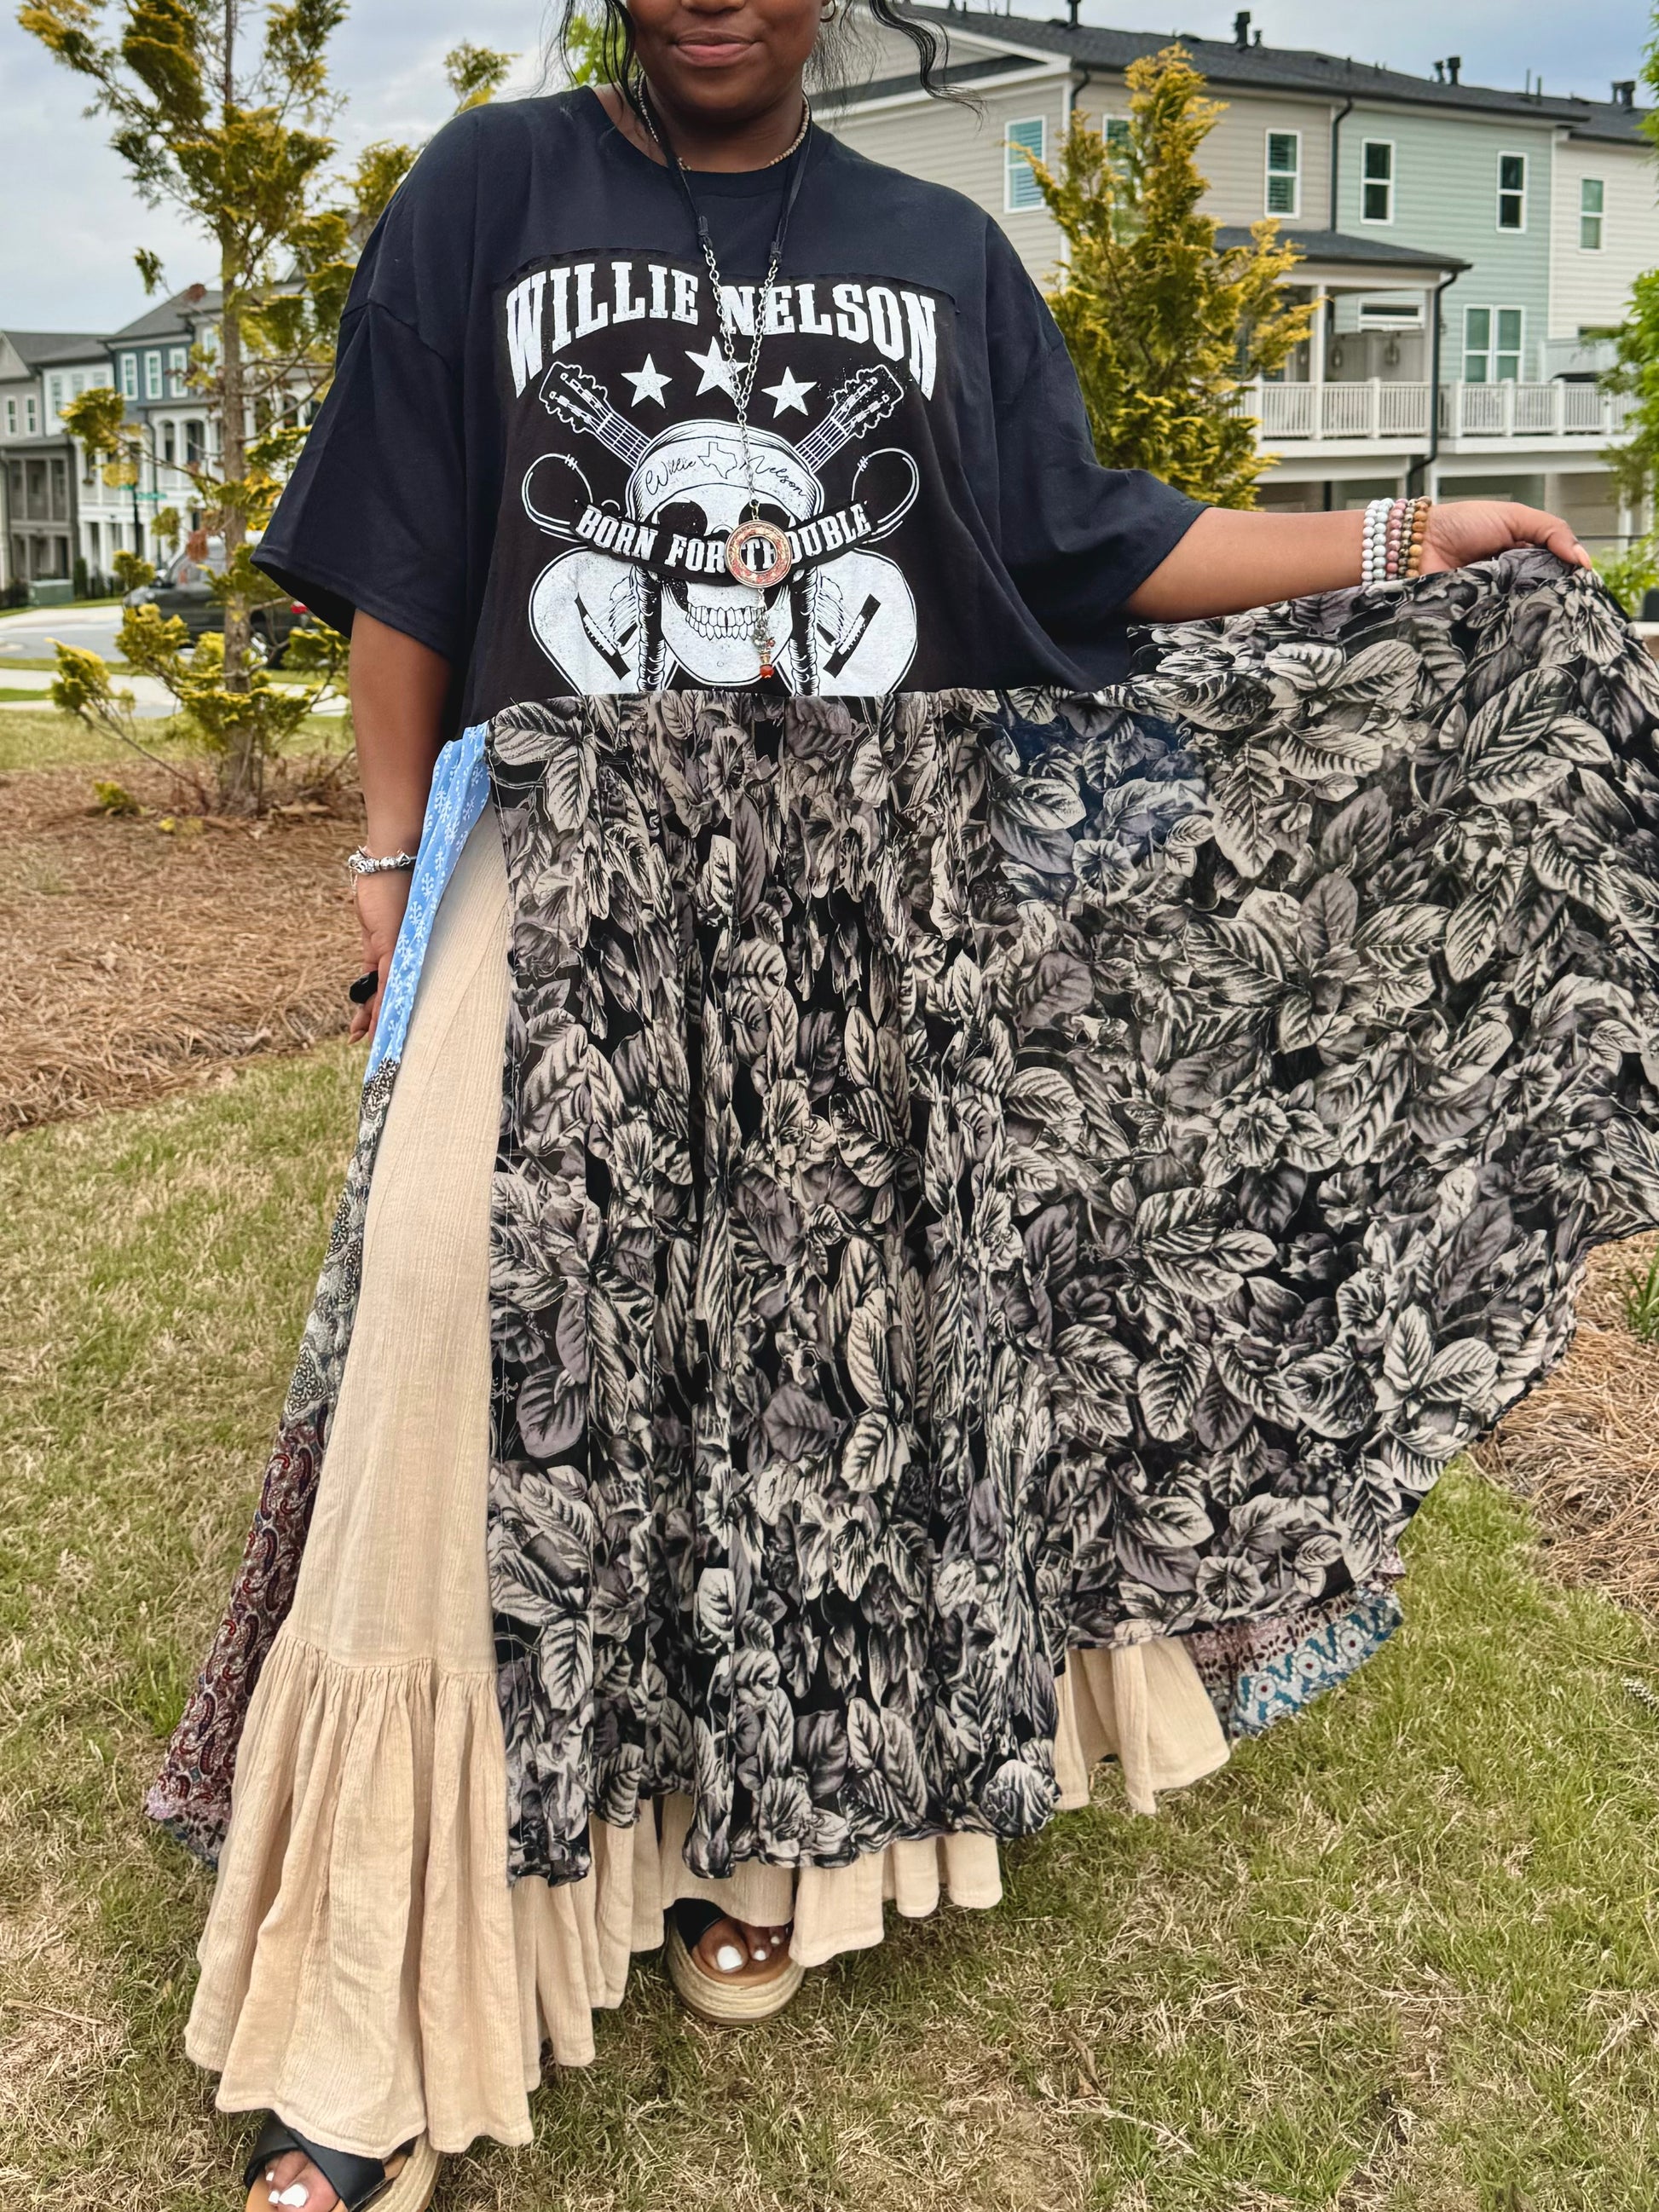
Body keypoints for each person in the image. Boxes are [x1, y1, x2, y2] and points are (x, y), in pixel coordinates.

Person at [145, 2, 1659, 2206]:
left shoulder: (937, 250)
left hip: (865, 901)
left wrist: (1400, 543)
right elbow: (401, 552)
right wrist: (386, 861)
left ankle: (758, 1845)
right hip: (566, 862)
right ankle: (366, 2027)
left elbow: (1090, 545)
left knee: (800, 1394)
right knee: (452, 1315)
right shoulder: (493, 190)